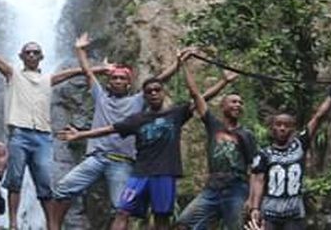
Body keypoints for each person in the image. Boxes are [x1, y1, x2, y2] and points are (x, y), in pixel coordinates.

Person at [0, 24, 106, 229]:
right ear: (21, 56)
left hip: (42, 136)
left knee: (44, 183)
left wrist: (101, 69)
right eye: (28, 52)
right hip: (19, 134)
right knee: (15, 180)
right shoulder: (13, 74)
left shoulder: (48, 79)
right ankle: (13, 225)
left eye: (36, 52)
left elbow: (74, 72)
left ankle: (51, 226)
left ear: (41, 57)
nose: (32, 55)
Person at [48, 33, 181, 230]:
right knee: (62, 190)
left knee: (122, 208)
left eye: (122, 78)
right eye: (114, 78)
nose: (117, 80)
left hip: (122, 161)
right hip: (96, 157)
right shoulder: (101, 97)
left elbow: (160, 80)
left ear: (128, 83)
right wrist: (79, 50)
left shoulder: (137, 101)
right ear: (109, 82)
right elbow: (88, 73)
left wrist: (178, 64)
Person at [58, 59, 210, 230]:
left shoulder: (171, 114)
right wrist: (81, 135)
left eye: (157, 90)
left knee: (159, 216)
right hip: (133, 169)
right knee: (122, 209)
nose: (153, 93)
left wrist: (180, 64)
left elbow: (197, 99)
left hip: (148, 168)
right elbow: (111, 128)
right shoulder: (135, 118)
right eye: (114, 78)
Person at [176, 49, 257, 230]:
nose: (237, 105)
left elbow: (254, 169)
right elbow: (196, 95)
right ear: (223, 106)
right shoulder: (214, 125)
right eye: (233, 101)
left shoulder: (246, 134)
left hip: (236, 188)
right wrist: (183, 65)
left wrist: (252, 200)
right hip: (212, 188)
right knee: (184, 222)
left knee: (235, 227)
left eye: (240, 103)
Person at [247, 81, 331, 230]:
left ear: (292, 128)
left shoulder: (299, 145)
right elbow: (258, 181)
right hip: (270, 213)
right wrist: (255, 208)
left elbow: (318, 117)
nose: (282, 128)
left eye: (286, 125)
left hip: (294, 215)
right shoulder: (264, 154)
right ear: (272, 128)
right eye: (278, 124)